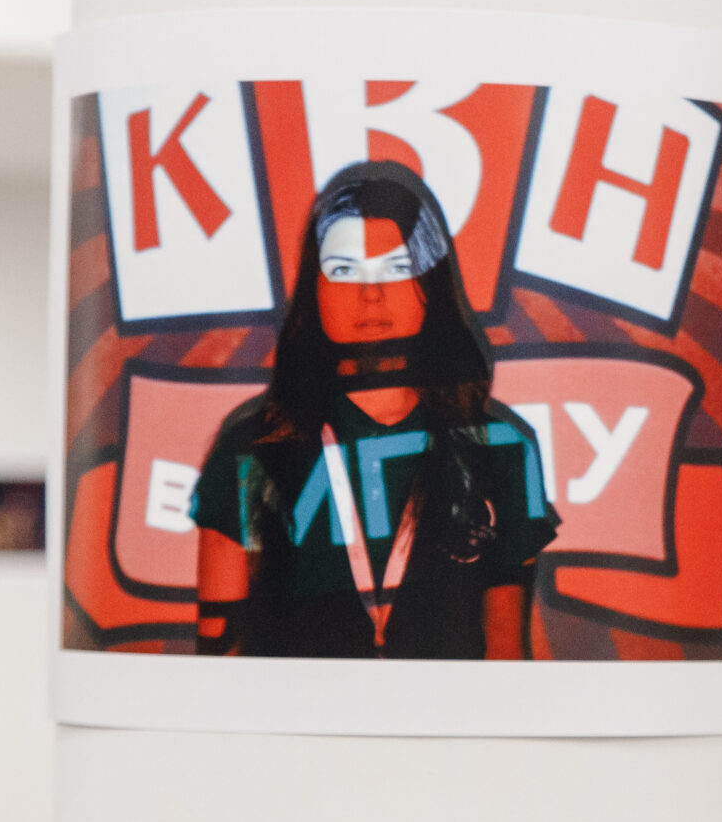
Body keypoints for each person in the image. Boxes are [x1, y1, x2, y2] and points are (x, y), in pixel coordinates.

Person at [192, 160, 558, 659]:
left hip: (446, 712)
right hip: (295, 712)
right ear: (314, 288)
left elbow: (506, 650)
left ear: (432, 282)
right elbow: (218, 658)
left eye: (397, 267)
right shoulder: (250, 452)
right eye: (344, 270)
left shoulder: (502, 448)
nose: (370, 294)